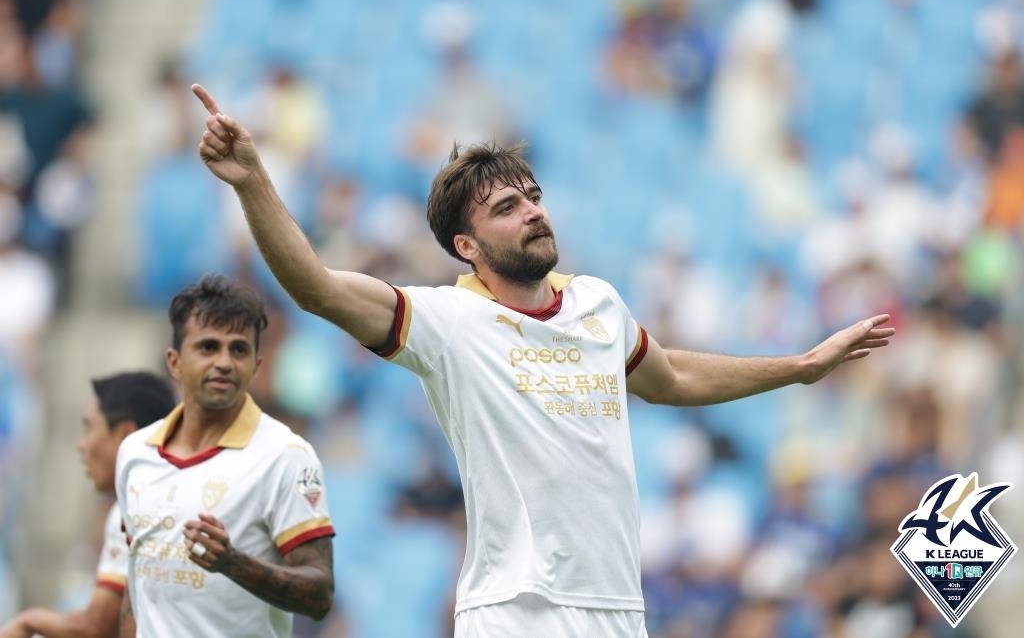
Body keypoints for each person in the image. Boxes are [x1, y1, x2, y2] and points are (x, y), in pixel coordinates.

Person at [190, 84, 895, 637]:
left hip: (617, 609)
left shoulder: (597, 306)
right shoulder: (448, 321)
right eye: (506, 206)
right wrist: (253, 180)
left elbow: (673, 377)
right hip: (515, 611)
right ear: (467, 245)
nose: (532, 211)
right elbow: (315, 286)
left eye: (533, 197)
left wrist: (800, 366)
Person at [114, 275, 335, 638]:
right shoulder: (135, 454)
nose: (224, 362)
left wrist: (233, 563)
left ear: (256, 366)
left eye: (239, 349)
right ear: (174, 362)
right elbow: (136, 585)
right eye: (208, 347)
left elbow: (320, 595)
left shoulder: (286, 457)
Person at [0, 372, 177, 638]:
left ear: (125, 434)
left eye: (89, 428)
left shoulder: (134, 512)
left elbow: (94, 628)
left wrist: (27, 622)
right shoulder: (175, 496)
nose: (81, 445)